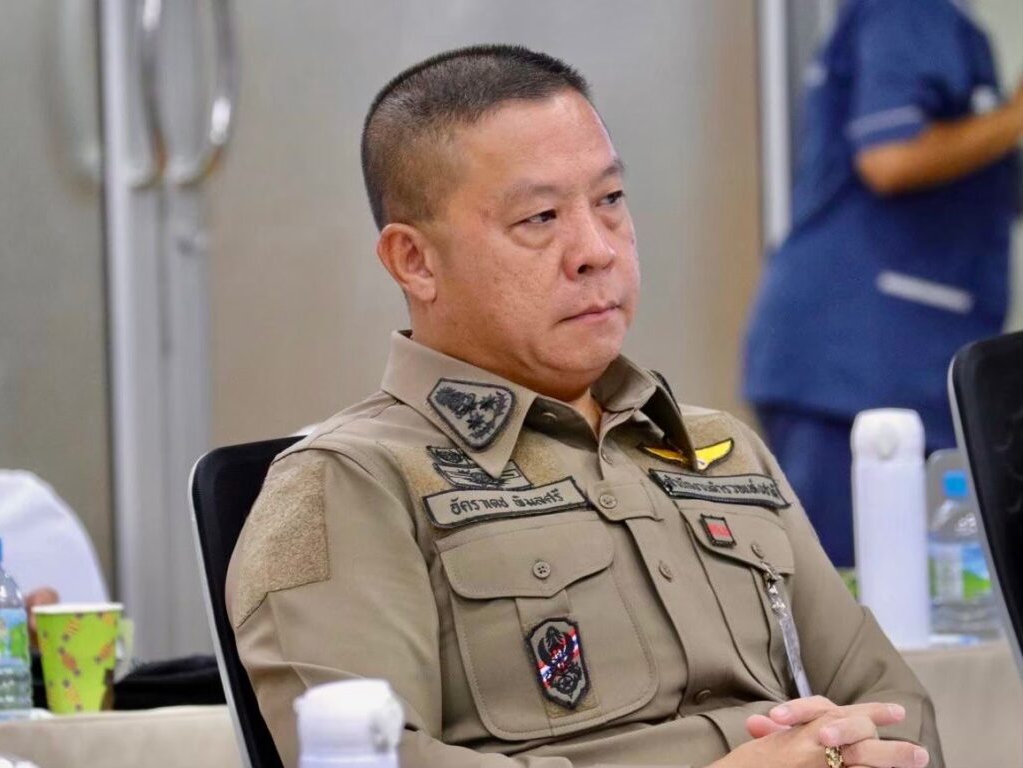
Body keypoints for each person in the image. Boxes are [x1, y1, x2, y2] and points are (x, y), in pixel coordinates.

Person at [226, 45, 943, 768]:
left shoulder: (716, 449)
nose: (597, 250)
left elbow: (895, 706)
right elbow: (373, 763)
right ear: (415, 261)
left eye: (610, 201)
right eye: (540, 217)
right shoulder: (349, 481)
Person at [743, 0, 1023, 568]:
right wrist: (1015, 116)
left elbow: (984, 183)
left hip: (896, 364)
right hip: (856, 369)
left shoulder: (951, 29)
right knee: (851, 598)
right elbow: (890, 158)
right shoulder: (908, 8)